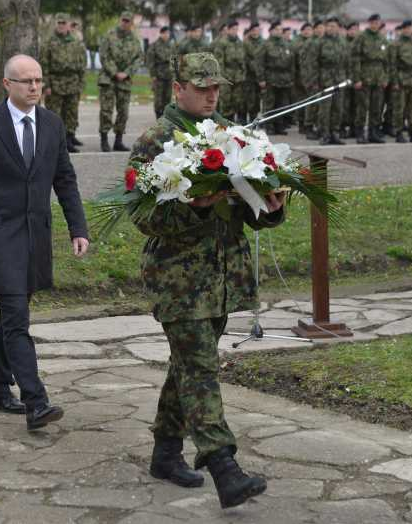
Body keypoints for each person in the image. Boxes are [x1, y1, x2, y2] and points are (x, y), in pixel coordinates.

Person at [129, 51, 279, 508]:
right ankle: (223, 466)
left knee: (187, 366)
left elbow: (248, 208)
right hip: (179, 279)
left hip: (222, 276)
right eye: (202, 86)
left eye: (217, 87)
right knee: (199, 369)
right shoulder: (156, 140)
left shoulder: (229, 136)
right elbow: (141, 213)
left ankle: (166, 453)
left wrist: (270, 206)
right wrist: (189, 211)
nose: (211, 94)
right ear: (179, 89)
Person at [0, 54, 89, 431]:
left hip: (35, 236)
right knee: (16, 316)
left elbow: (65, 179)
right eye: (26, 81)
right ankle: (36, 400)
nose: (34, 87)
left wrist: (78, 228)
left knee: (12, 313)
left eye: (38, 81)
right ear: (6, 84)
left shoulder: (51, 123)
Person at [98, 11, 143, 152]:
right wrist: (115, 72)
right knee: (106, 110)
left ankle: (118, 140)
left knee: (123, 112)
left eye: (128, 21)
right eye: (123, 20)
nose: (125, 23)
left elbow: (139, 58)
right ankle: (104, 140)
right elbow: (104, 55)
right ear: (120, 20)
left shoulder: (135, 40)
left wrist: (127, 73)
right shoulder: (109, 36)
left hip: (125, 80)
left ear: (131, 23)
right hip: (108, 78)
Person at [41, 12, 87, 151]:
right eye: (59, 23)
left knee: (71, 113)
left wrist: (81, 82)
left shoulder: (75, 42)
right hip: (55, 83)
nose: (61, 25)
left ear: (68, 25)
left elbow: (82, 64)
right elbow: (44, 65)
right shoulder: (49, 42)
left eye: (63, 23)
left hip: (72, 82)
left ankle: (68, 139)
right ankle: (55, 142)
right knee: (54, 115)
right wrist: (46, 85)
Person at [351, 13, 388, 144]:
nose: (376, 25)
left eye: (378, 23)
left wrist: (385, 78)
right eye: (373, 22)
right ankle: (360, 133)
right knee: (362, 107)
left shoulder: (382, 38)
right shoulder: (361, 37)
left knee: (376, 108)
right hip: (364, 77)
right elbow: (355, 59)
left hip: (378, 78)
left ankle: (374, 132)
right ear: (369, 23)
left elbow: (386, 61)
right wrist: (357, 78)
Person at [389, 20, 412, 143]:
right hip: (401, 79)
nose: (410, 30)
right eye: (407, 28)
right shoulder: (396, 45)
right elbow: (392, 64)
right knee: (400, 108)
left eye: (411, 28)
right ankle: (398, 132)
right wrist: (394, 81)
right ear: (403, 29)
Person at [316, 17, 347, 145]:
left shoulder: (342, 42)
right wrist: (314, 80)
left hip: (339, 79)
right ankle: (325, 134)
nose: (331, 28)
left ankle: (335, 133)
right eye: (329, 26)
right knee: (325, 109)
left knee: (338, 108)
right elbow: (312, 63)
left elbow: (347, 61)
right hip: (325, 78)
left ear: (338, 28)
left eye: (333, 26)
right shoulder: (320, 42)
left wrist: (347, 78)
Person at [258, 20, 293, 134]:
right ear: (271, 31)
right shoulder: (266, 44)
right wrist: (261, 78)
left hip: (284, 79)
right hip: (271, 78)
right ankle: (269, 126)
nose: (279, 32)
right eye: (277, 29)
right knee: (270, 103)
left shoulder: (285, 44)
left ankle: (279, 125)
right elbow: (259, 63)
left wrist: (291, 77)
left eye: (280, 30)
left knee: (282, 103)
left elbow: (291, 62)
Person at [217, 20, 245, 122]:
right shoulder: (222, 43)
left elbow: (243, 61)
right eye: (233, 29)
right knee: (226, 102)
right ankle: (224, 123)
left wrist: (242, 74)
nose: (235, 31)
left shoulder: (239, 42)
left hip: (238, 77)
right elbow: (219, 62)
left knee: (237, 101)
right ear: (228, 30)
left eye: (237, 29)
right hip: (226, 77)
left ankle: (233, 123)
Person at [145, 26, 174, 119]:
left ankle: (166, 118)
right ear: (161, 34)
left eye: (168, 33)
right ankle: (158, 116)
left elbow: (175, 60)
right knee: (158, 99)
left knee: (168, 98)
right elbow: (150, 61)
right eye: (165, 33)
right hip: (158, 76)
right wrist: (153, 75)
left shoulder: (171, 46)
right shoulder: (154, 45)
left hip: (169, 76)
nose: (167, 35)